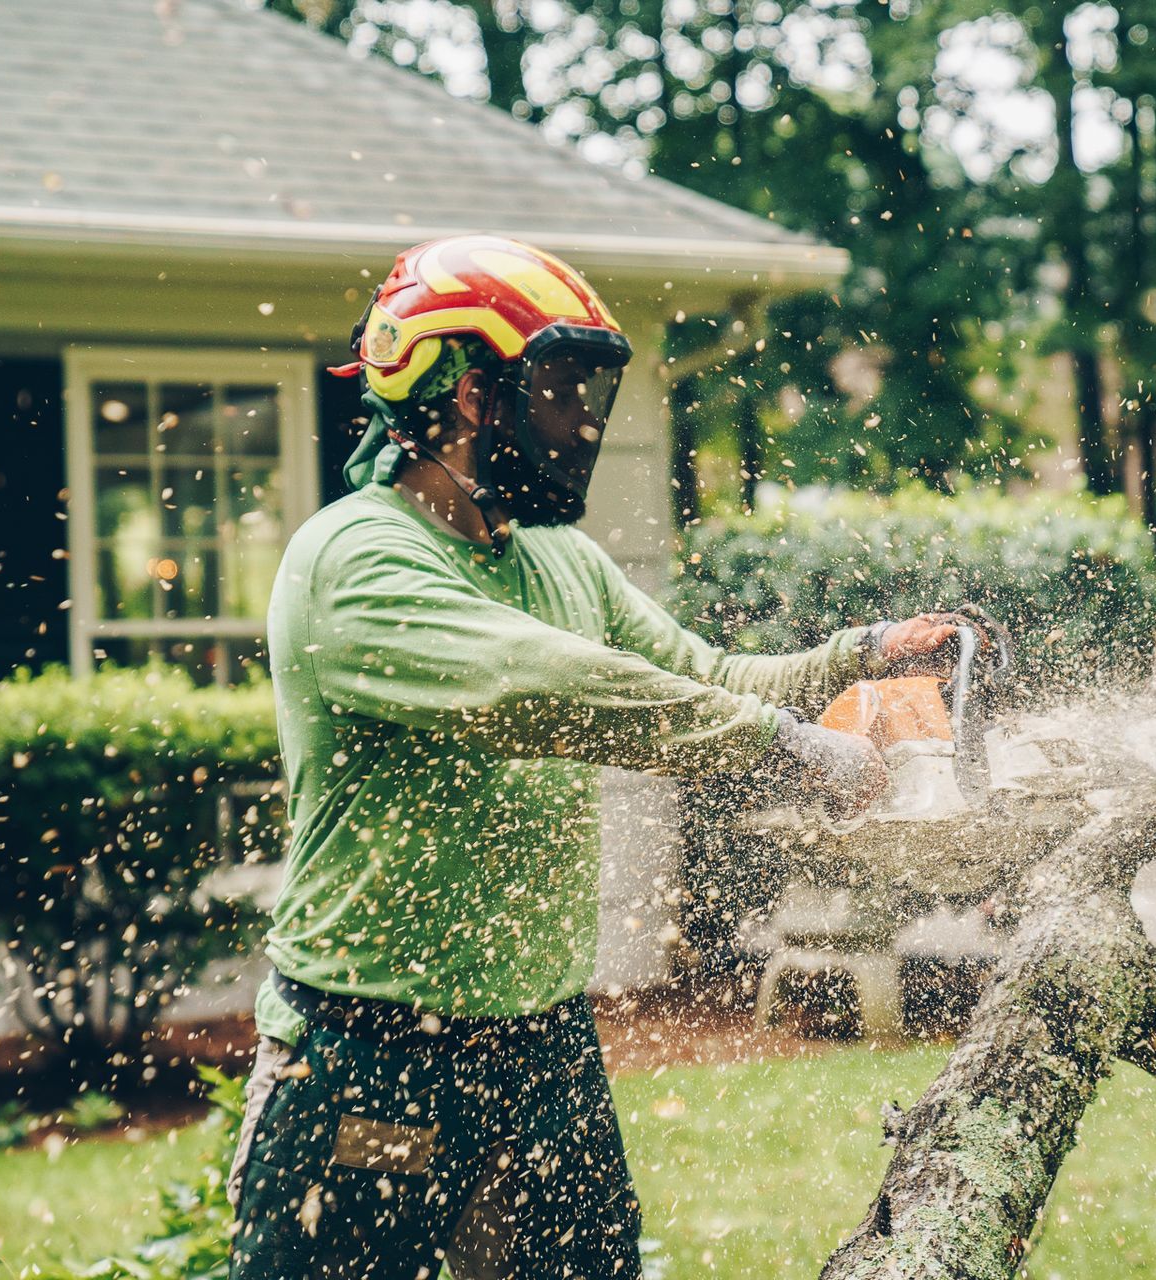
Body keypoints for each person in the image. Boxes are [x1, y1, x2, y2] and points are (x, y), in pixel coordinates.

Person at [227, 235, 979, 1279]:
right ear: (464, 395)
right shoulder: (354, 560)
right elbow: (552, 689)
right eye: (559, 391)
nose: (584, 421)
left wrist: (856, 658)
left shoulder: (558, 558)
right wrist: (788, 747)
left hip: (539, 1042)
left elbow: (699, 672)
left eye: (590, 392)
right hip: (373, 1053)